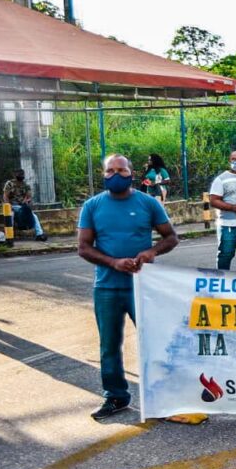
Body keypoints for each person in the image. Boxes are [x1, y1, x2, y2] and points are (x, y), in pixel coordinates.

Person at [77, 154, 179, 420]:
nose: (115, 175)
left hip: (143, 286)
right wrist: (113, 262)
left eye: (121, 170)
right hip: (107, 288)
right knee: (109, 345)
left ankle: (162, 396)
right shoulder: (92, 206)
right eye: (109, 170)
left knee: (153, 341)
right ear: (103, 174)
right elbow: (83, 247)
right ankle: (116, 396)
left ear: (131, 174)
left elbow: (171, 237)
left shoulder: (148, 203)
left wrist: (151, 251)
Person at [2, 168, 47, 241]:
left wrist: (26, 200)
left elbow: (29, 197)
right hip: (12, 206)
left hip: (22, 206)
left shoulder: (25, 185)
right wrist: (8, 205)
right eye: (19, 174)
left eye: (21, 174)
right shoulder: (10, 184)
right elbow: (5, 196)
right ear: (15, 175)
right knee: (10, 216)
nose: (20, 176)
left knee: (34, 216)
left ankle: (39, 234)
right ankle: (9, 236)